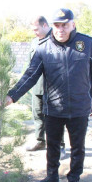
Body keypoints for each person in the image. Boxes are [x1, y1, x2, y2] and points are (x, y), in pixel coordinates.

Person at [4, 8, 92, 182]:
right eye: (57, 25)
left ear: (72, 24)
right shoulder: (43, 48)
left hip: (79, 107)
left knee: (77, 148)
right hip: (53, 108)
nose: (60, 29)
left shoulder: (86, 43)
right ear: (52, 26)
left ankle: (74, 180)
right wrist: (12, 96)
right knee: (52, 145)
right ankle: (51, 177)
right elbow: (30, 75)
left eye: (64, 25)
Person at [25, 16, 66, 159]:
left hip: (53, 87)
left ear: (45, 25)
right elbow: (30, 66)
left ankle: (60, 146)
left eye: (36, 29)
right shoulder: (34, 42)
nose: (34, 32)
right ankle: (39, 141)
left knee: (56, 118)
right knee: (38, 115)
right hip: (37, 86)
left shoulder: (56, 39)